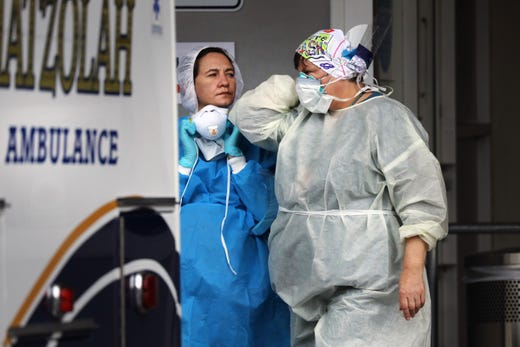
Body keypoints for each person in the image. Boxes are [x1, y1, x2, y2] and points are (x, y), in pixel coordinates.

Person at [228, 27, 448, 347]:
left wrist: (413, 271)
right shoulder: (302, 122)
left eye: (310, 72)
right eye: (300, 74)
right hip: (306, 289)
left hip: (370, 286)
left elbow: (421, 201)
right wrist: (294, 88)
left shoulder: (386, 118)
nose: (304, 80)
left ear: (337, 69)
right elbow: (248, 116)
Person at [176, 46, 290, 347]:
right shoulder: (173, 137)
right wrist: (185, 165)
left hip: (245, 270)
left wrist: (238, 159)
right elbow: (156, 211)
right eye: (212, 74)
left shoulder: (256, 137)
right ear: (190, 85)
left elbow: (268, 212)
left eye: (229, 74)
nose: (224, 81)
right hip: (188, 267)